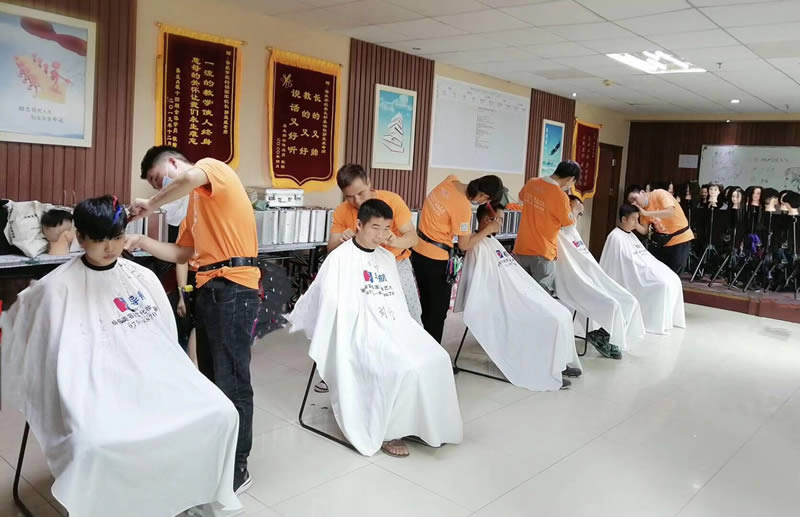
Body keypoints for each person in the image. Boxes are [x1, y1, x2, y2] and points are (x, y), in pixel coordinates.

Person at [0, 196, 241, 517]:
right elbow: (46, 356)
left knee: (221, 413)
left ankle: (185, 494)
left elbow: (167, 342)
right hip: (93, 385)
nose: (109, 247)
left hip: (153, 377)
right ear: (80, 237)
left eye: (116, 237)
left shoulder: (143, 278)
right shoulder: (55, 288)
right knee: (94, 442)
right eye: (99, 239)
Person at [127, 145, 259, 494]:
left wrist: (150, 204)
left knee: (232, 380)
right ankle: (219, 451)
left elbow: (187, 179)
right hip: (208, 289)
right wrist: (141, 240)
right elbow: (182, 253)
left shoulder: (211, 168)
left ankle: (238, 465)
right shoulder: (194, 209)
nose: (161, 189)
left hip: (234, 286)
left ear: (173, 163)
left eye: (159, 180)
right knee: (212, 379)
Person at [288, 199, 463, 457]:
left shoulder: (386, 258)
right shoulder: (340, 258)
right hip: (358, 330)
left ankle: (420, 423)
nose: (381, 235)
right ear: (359, 225)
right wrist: (360, 324)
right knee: (401, 366)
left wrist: (398, 329)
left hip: (392, 326)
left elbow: (397, 305)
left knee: (436, 357)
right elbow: (327, 303)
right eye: (375, 228)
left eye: (386, 229)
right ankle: (388, 431)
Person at [454, 202, 581, 390]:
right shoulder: (476, 246)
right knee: (551, 319)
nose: (501, 224)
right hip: (501, 301)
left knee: (562, 313)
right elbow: (481, 286)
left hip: (515, 295)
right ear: (487, 220)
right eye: (499, 220)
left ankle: (559, 363)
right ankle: (546, 368)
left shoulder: (493, 242)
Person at [411, 174, 504, 344]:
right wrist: (488, 229)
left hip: (418, 251)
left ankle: (421, 347)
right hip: (435, 260)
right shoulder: (463, 207)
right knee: (437, 313)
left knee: (426, 306)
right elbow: (464, 245)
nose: (484, 204)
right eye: (486, 201)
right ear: (483, 196)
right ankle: (432, 354)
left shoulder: (450, 180)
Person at [327, 163, 421, 324]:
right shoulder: (342, 211)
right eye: (349, 196)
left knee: (411, 313)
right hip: (363, 269)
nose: (357, 201)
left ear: (369, 182)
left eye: (360, 193)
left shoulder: (392, 201)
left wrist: (396, 241)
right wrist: (342, 239)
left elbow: (413, 238)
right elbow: (331, 249)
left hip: (396, 263)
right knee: (366, 317)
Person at [555, 196, 645, 358]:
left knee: (630, 301)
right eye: (575, 212)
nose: (576, 218)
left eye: (579, 214)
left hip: (593, 278)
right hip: (577, 282)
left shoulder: (572, 232)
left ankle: (605, 335)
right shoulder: (559, 234)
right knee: (613, 304)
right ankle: (605, 336)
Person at [599, 204, 686, 335]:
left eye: (637, 219)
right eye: (633, 219)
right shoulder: (615, 236)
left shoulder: (631, 235)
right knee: (662, 285)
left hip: (645, 268)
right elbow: (624, 263)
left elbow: (644, 256)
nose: (636, 223)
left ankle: (668, 320)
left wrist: (653, 267)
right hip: (632, 275)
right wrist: (646, 268)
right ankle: (654, 322)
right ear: (624, 219)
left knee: (673, 278)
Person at [513, 160, 580, 295]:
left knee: (518, 294)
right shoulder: (560, 196)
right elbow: (570, 229)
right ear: (571, 179)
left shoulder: (532, 183)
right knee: (541, 297)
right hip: (543, 253)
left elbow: (520, 201)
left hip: (521, 248)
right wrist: (575, 210)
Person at [625, 184, 695, 274]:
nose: (634, 203)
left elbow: (670, 212)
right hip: (663, 242)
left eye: (634, 198)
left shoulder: (659, 194)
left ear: (642, 192)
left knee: (674, 273)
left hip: (680, 237)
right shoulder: (643, 210)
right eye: (631, 202)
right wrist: (635, 223)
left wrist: (646, 213)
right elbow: (645, 230)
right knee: (659, 273)